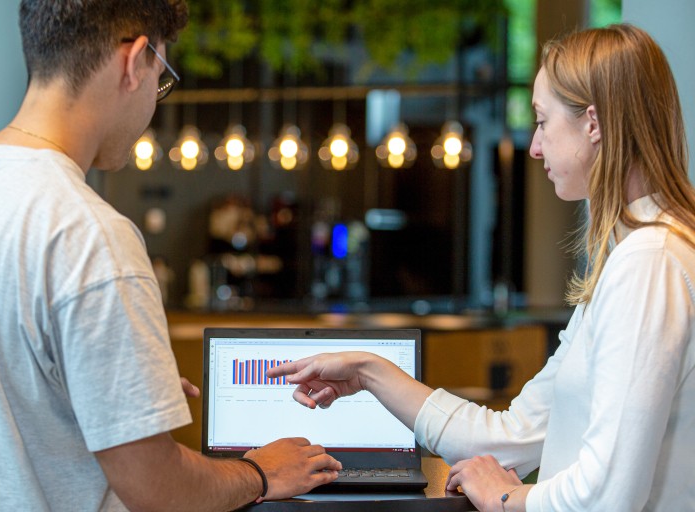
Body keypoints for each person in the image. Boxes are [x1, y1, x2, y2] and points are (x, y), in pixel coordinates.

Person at [0, 1, 340, 511]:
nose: (155, 101)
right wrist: (259, 471)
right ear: (135, 60)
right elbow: (159, 492)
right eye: (161, 79)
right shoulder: (89, 234)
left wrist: (106, 389)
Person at [267, 23, 695, 511]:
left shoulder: (648, 263)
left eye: (542, 120)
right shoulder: (640, 255)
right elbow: (511, 435)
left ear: (593, 124)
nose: (535, 147)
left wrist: (506, 496)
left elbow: (607, 496)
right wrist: (369, 371)